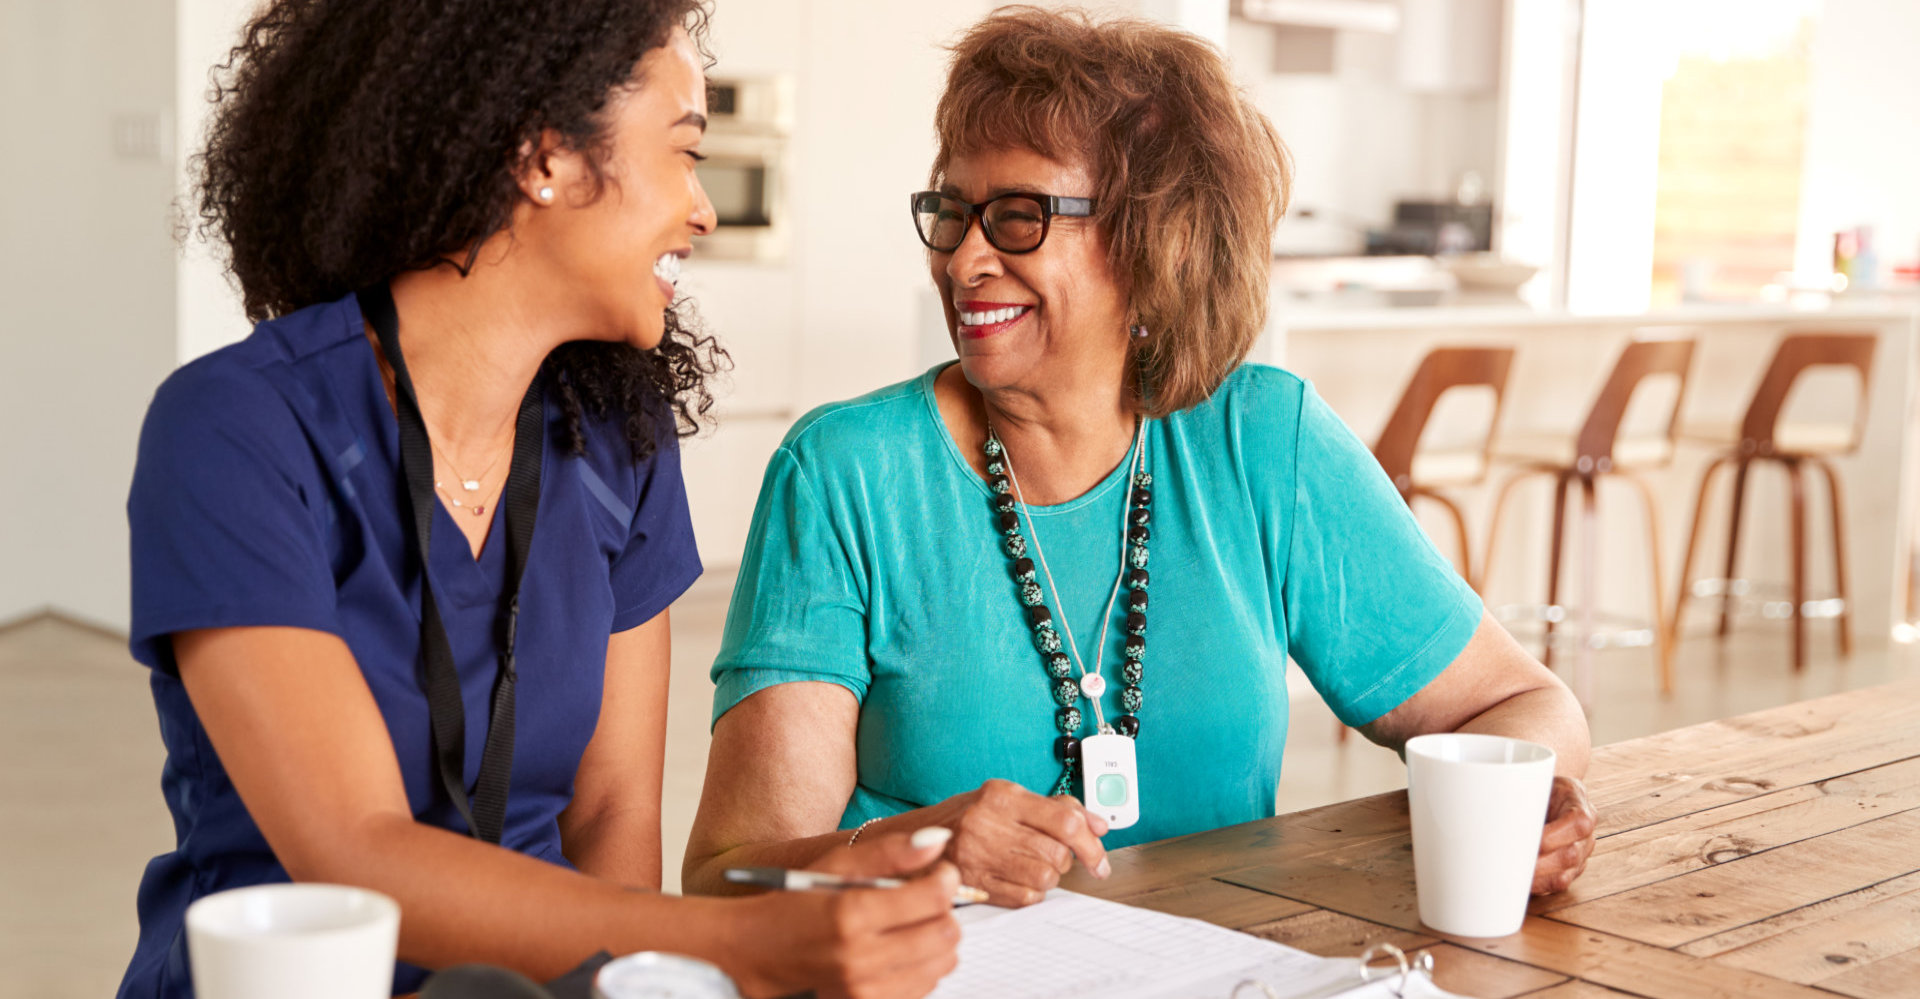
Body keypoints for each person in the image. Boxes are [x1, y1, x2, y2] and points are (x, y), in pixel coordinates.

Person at [122, 2, 959, 997]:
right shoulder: (235, 429)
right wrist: (741, 946)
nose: (704, 209)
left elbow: (610, 813)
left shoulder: (621, 441)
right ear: (545, 157)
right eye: (684, 151)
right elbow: (353, 851)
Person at [683, 6, 1597, 908]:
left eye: (1017, 218)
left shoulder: (1262, 443)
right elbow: (733, 874)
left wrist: (1527, 804)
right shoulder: (846, 474)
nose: (963, 262)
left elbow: (1520, 705)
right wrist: (915, 849)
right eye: (954, 213)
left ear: (1154, 239)